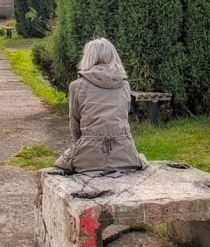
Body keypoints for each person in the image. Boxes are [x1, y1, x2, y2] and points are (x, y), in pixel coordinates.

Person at [55, 38, 147, 174]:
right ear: (113, 56)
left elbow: (75, 125)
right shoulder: (124, 85)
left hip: (88, 155)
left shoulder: (77, 86)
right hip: (125, 155)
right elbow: (123, 116)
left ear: (88, 58)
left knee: (61, 163)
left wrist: (84, 145)